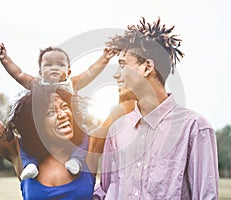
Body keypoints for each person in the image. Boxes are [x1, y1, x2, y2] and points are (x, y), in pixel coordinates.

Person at [94, 17, 219, 199]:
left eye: (122, 65)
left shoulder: (194, 129)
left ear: (147, 67)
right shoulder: (116, 131)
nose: (115, 75)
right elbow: (105, 193)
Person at [0, 40, 96, 199]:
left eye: (65, 108)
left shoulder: (89, 147)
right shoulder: (19, 150)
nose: (63, 114)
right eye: (51, 112)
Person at [0, 41, 116, 179]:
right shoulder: (36, 83)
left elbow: (90, 72)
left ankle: (76, 161)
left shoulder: (72, 83)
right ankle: (30, 165)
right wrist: (4, 58)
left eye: (60, 65)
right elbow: (19, 73)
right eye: (48, 64)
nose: (54, 68)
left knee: (83, 140)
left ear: (69, 71)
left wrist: (105, 58)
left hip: (70, 128)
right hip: (45, 131)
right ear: (40, 72)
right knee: (25, 143)